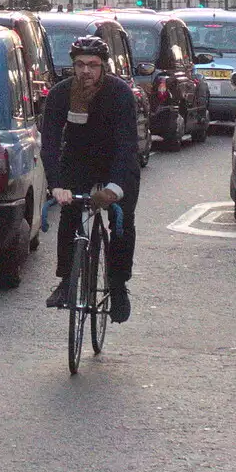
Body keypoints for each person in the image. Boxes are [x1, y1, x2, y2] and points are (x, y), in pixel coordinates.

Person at [40, 35, 140, 323]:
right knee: (70, 214)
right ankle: (65, 280)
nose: (86, 71)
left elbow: (127, 145)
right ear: (72, 66)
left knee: (123, 223)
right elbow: (50, 143)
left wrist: (115, 189)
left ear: (103, 68)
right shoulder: (60, 94)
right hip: (79, 159)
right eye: (80, 64)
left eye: (93, 65)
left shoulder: (119, 93)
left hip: (116, 163)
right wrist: (56, 185)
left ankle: (119, 287)